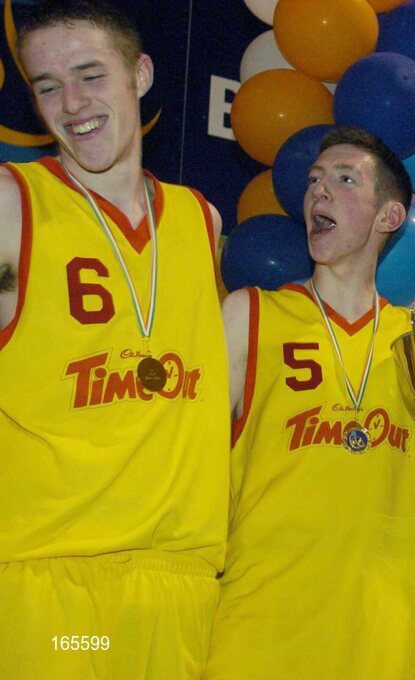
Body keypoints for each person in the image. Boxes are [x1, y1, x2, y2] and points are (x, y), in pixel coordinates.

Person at [0, 2, 229, 677]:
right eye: (47, 86)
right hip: (51, 582)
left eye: (90, 75)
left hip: (180, 582)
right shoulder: (13, 203)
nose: (70, 104)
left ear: (142, 74)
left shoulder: (202, 222)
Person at [205, 125, 415, 679]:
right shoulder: (250, 316)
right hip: (260, 630)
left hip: (387, 636)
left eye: (344, 180)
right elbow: (188, 467)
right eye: (314, 181)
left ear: (389, 218)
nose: (318, 192)